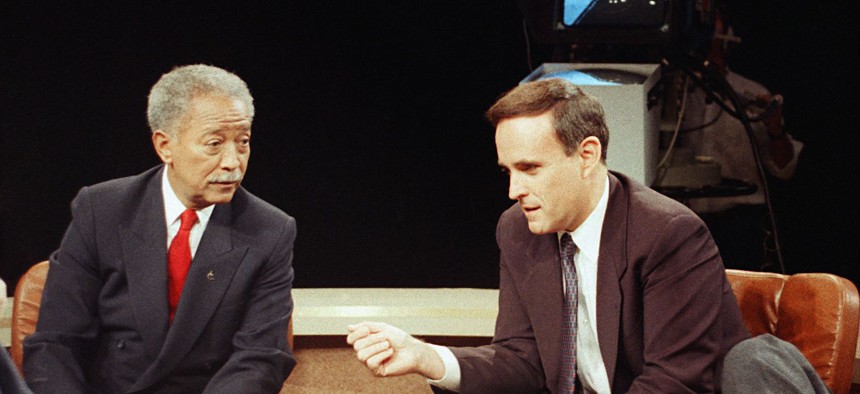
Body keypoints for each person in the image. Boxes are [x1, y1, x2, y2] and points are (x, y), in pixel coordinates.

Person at [347, 78, 752, 392]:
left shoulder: (668, 234)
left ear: (586, 156)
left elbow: (674, 383)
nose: (514, 191)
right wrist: (427, 357)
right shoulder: (517, 228)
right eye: (508, 172)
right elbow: (523, 358)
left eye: (530, 168)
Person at [23, 64, 296, 393]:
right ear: (165, 145)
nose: (233, 162)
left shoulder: (269, 230)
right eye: (214, 144)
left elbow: (261, 357)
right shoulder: (102, 210)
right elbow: (55, 343)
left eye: (243, 142)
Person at [677, 10, 803, 271]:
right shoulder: (674, 92)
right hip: (685, 221)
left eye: (714, 24)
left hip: (738, 226)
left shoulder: (751, 92)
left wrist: (775, 127)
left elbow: (784, 168)